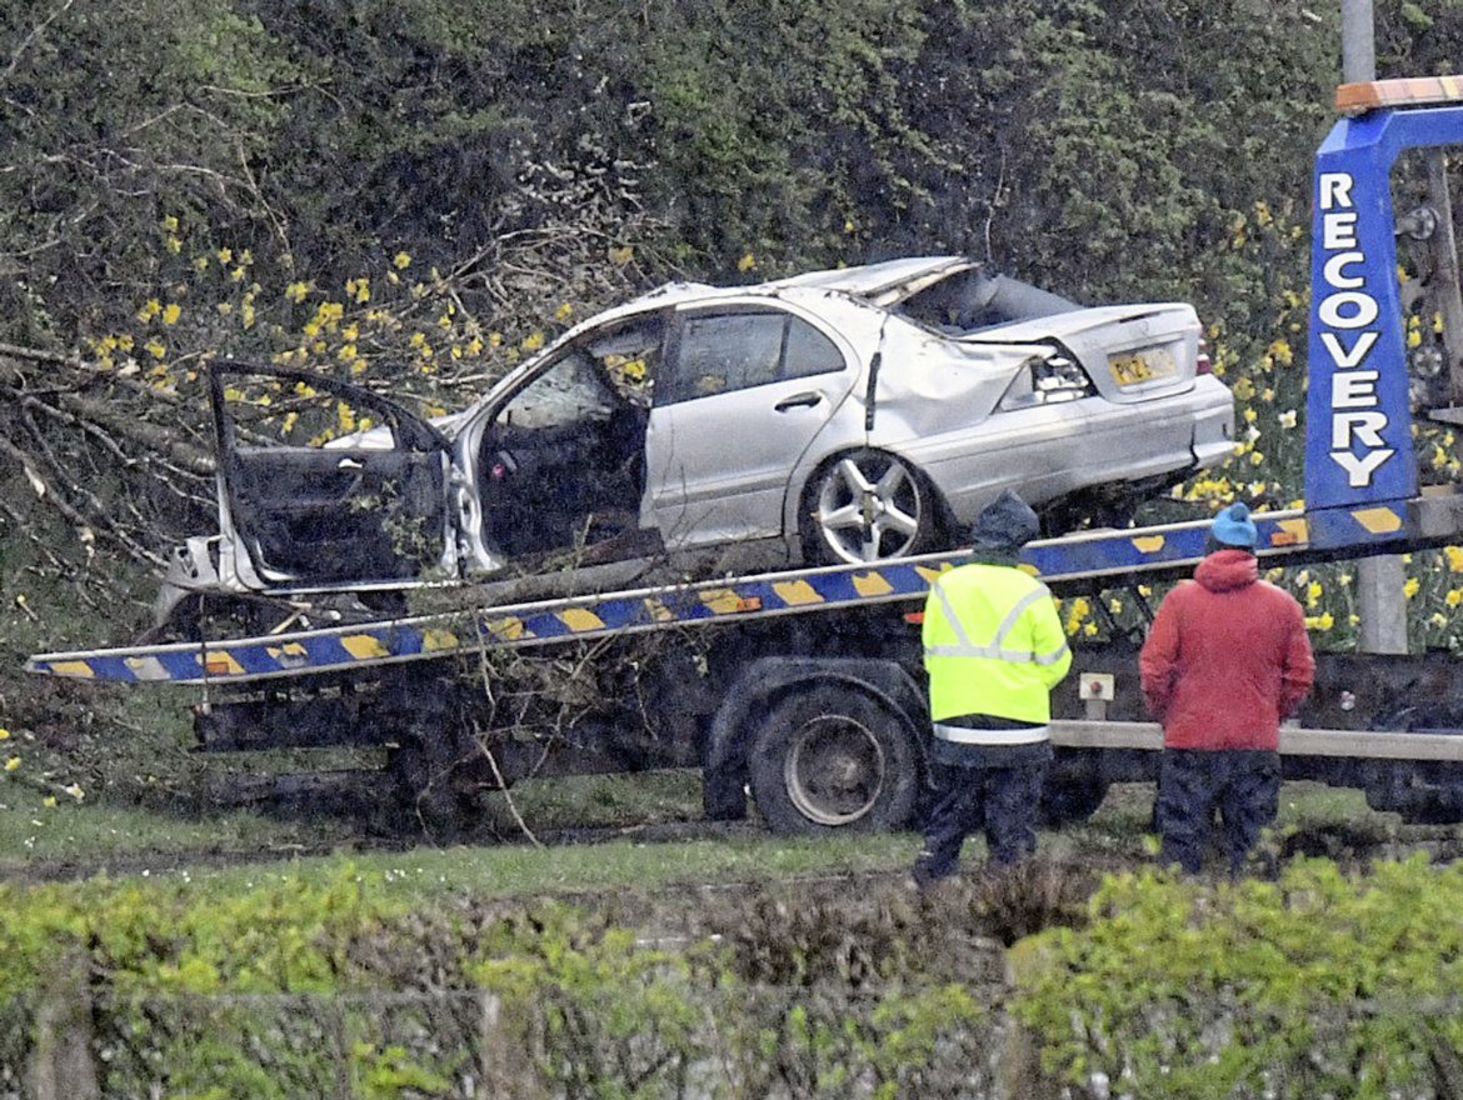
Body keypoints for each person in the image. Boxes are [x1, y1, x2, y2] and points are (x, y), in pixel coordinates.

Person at [1140, 501, 1315, 875]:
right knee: (1253, 853)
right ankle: (1252, 926)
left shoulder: (1180, 601)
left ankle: (1179, 925)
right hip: (1254, 745)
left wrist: (1167, 714)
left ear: (1209, 548)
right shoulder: (1283, 606)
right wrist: (1270, 711)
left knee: (1180, 852)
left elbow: (1154, 670)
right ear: (1253, 553)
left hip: (1189, 743)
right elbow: (1300, 676)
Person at [913, 490, 1072, 886]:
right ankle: (1009, 892)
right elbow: (1057, 661)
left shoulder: (945, 587)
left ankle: (930, 881)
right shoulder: (1032, 592)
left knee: (950, 811)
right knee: (1012, 825)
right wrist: (1024, 687)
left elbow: (931, 654)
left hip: (957, 723)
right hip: (1020, 728)